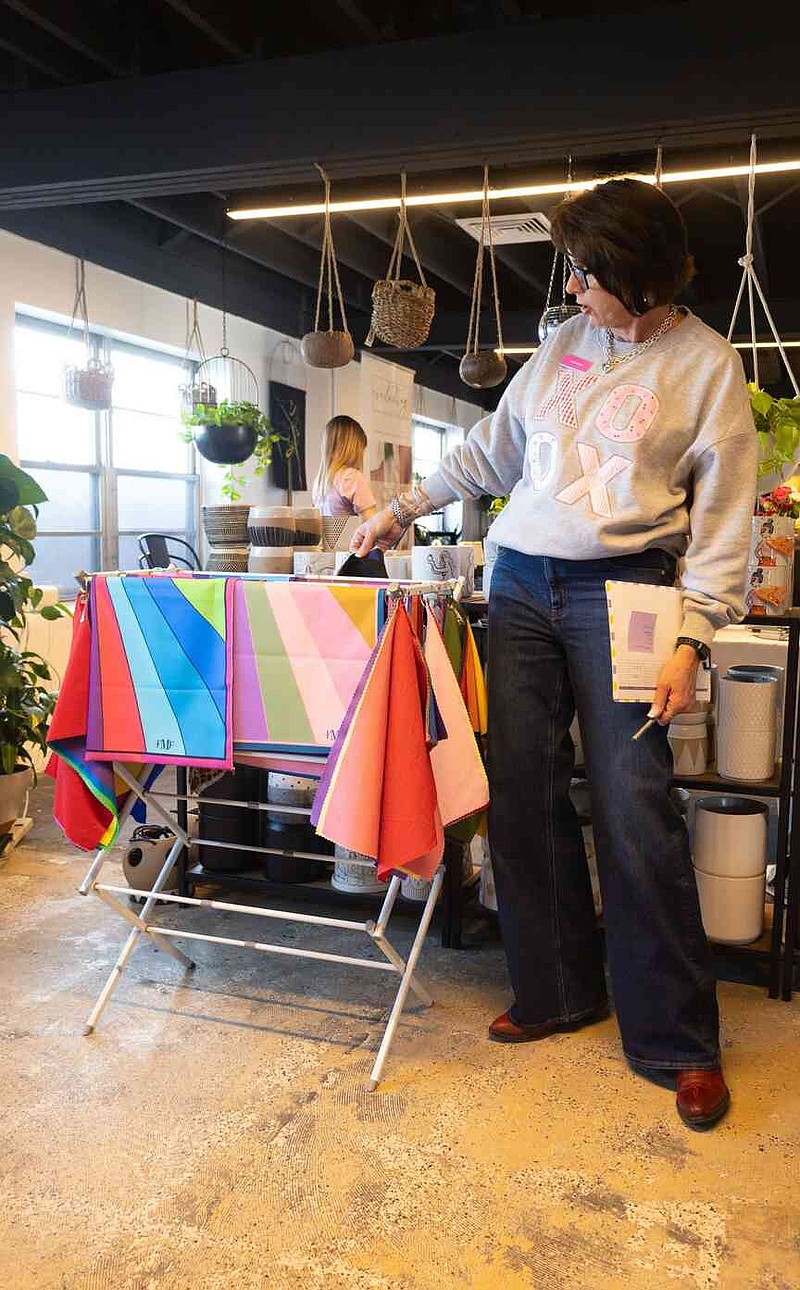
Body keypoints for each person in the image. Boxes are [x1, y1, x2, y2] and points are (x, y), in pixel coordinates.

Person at [350, 178, 758, 1131]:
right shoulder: (563, 344)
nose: (572, 288)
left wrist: (694, 636)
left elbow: (724, 519)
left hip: (629, 592)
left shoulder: (706, 365)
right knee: (524, 793)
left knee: (634, 805)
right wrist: (398, 508)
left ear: (638, 274)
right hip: (524, 583)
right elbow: (492, 452)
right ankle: (557, 990)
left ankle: (677, 1041)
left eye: (586, 273)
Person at [312, 415, 377, 519]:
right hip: (350, 531)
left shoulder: (319, 483)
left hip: (329, 531)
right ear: (354, 448)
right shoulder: (351, 477)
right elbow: (373, 524)